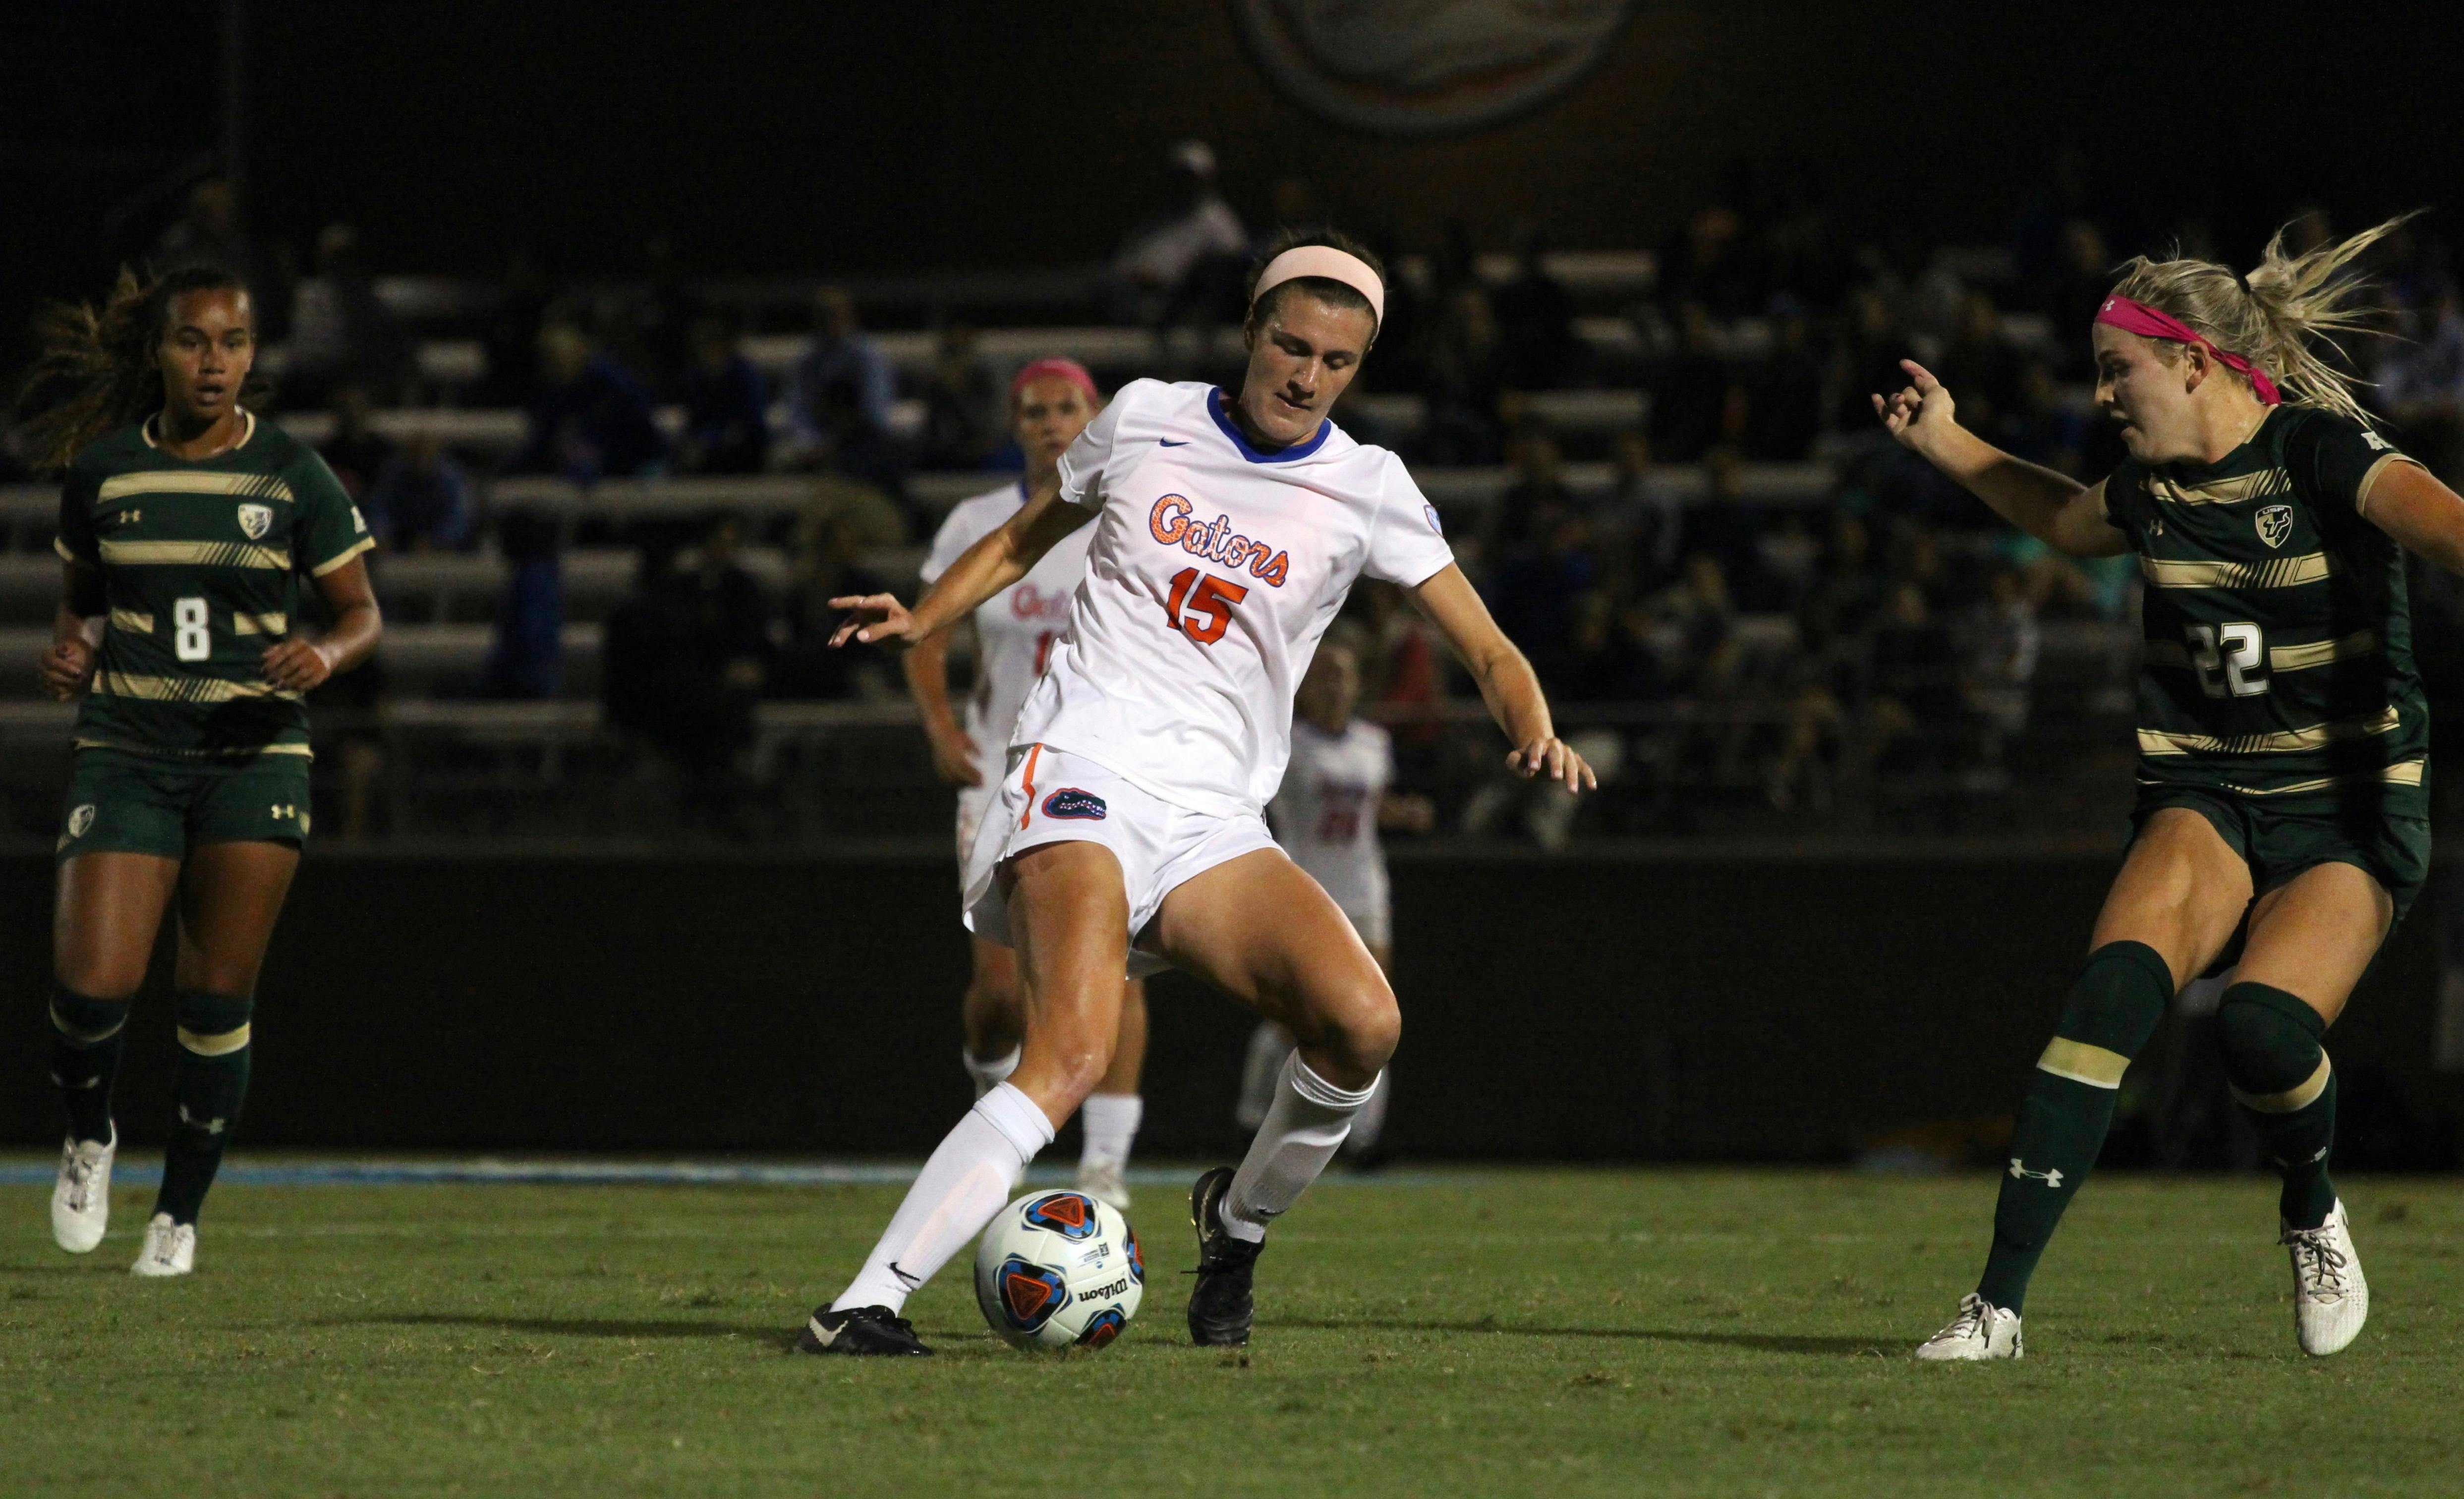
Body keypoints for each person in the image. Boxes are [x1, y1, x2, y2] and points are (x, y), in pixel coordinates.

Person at [809, 230, 1594, 1355]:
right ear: (1250, 331)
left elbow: (1489, 649)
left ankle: (1236, 1227)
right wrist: (925, 614)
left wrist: (1535, 727)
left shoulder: (1369, 487)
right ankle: (866, 1303)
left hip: (1211, 819)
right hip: (1080, 765)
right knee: (1068, 1050)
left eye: (1336, 360)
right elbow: (1031, 533)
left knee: (1364, 1025)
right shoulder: (1145, 417)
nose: (1306, 374)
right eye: (1291, 344)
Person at [1875, 216, 2464, 1360]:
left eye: (2117, 369)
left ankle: (2310, 1206)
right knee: (2104, 1007)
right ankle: (1996, 1309)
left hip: (2346, 811)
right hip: (2206, 791)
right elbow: (2059, 516)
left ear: (2193, 362)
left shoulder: (2325, 459)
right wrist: (1948, 444)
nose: (2103, 397)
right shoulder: (2147, 489)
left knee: (2259, 1027)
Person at [16, 264, 381, 1275]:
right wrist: (75, 649)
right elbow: (82, 602)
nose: (212, 360)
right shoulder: (102, 474)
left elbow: (361, 613)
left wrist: (327, 654)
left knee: (215, 998)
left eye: (230, 342)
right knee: (90, 990)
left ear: (253, 355)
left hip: (251, 755)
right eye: (192, 341)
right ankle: (90, 1134)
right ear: (159, 351)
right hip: (128, 752)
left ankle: (178, 1213)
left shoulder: (293, 476)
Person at [905, 359, 1148, 1209]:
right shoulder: (980, 519)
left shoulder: (1132, 513)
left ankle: (1104, 1171)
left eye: (1067, 408)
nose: (1051, 424)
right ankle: (990, 1094)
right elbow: (929, 633)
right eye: (1035, 411)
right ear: (1014, 426)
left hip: (1103, 770)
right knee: (1002, 997)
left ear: (1096, 416)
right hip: (1002, 777)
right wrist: (941, 726)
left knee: (1116, 970)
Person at [1241, 637, 1434, 1161]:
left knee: (1375, 1016)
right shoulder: (1284, 742)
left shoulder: (1373, 741)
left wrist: (1405, 812)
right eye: (1323, 673)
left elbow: (1372, 805)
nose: (1333, 684)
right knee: (1294, 1018)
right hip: (1305, 885)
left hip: (1364, 885)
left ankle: (1364, 1140)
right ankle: (1255, 1117)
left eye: (1342, 674)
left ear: (1358, 683)